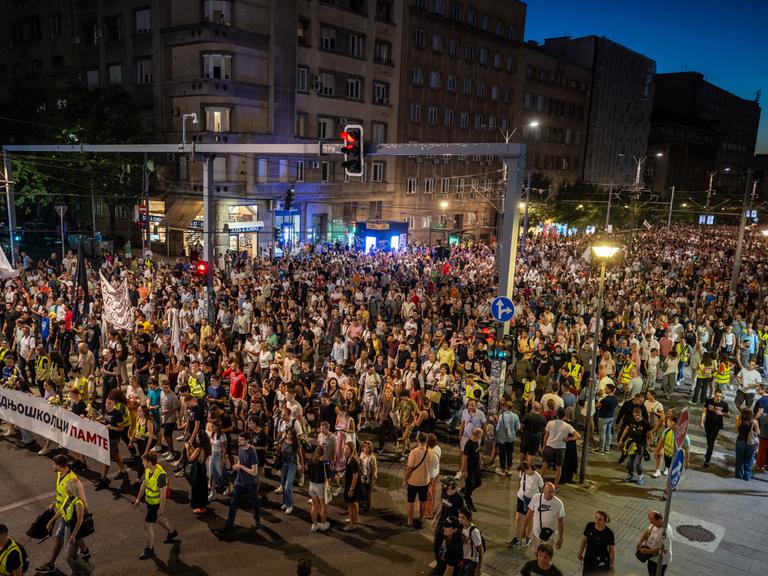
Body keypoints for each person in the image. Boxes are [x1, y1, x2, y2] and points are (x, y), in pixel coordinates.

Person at [38, 455, 88, 574]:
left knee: (62, 540)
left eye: (54, 464)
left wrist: (54, 519)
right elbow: (60, 493)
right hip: (64, 511)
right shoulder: (60, 474)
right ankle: (85, 551)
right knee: (74, 535)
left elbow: (70, 503)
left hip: (69, 515)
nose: (53, 466)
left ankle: (53, 563)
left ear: (59, 465)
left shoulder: (71, 480)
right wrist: (54, 503)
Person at [134, 453, 178, 560]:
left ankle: (149, 550)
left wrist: (161, 508)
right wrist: (138, 499)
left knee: (147, 526)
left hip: (156, 504)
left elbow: (163, 495)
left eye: (144, 461)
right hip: (150, 502)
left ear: (149, 463)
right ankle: (172, 532)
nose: (142, 463)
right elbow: (143, 485)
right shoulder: (148, 470)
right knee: (159, 519)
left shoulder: (161, 475)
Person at [223, 432, 262, 532]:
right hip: (239, 481)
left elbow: (254, 472)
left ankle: (257, 519)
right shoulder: (240, 447)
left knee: (254, 503)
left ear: (247, 440)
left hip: (250, 483)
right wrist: (237, 466)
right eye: (239, 439)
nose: (239, 441)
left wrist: (240, 467)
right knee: (233, 503)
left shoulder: (252, 451)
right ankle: (229, 524)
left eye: (241, 440)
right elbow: (240, 459)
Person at [404, 432, 438, 530]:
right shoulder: (432, 452)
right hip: (425, 481)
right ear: (426, 440)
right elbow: (433, 467)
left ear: (418, 440)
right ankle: (420, 519)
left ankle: (409, 521)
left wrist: (405, 479)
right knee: (423, 501)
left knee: (410, 502)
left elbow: (410, 468)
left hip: (413, 481)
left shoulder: (414, 452)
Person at [540, 408, 580, 489]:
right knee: (559, 467)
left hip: (549, 445)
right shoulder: (567, 426)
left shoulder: (550, 423)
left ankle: (540, 481)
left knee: (545, 464)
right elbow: (578, 436)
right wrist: (568, 439)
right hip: (560, 448)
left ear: (557, 415)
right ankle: (556, 484)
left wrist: (544, 446)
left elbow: (546, 436)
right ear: (564, 416)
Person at [508, 462, 544, 548]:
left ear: (529, 469)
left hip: (532, 500)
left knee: (529, 519)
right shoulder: (522, 472)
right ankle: (516, 538)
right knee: (518, 518)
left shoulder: (537, 476)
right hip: (521, 497)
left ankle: (528, 536)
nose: (523, 473)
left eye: (524, 471)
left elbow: (541, 487)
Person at [525, 482, 565, 552]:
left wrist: (560, 538)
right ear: (544, 490)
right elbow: (529, 514)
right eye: (549, 492)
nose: (552, 494)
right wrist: (524, 529)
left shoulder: (559, 503)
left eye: (553, 492)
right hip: (536, 534)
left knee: (546, 556)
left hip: (550, 536)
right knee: (537, 553)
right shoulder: (536, 498)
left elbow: (561, 522)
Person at [618, 407, 653, 485]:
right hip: (631, 445)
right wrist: (621, 440)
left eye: (639, 415)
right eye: (635, 415)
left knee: (637, 462)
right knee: (630, 461)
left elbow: (650, 434)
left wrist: (651, 444)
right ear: (633, 414)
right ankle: (630, 474)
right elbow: (626, 430)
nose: (637, 417)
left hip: (641, 445)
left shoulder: (645, 423)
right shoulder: (631, 420)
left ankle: (640, 476)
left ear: (641, 414)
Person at [651, 412, 690, 478]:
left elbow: (687, 450)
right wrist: (657, 451)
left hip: (676, 458)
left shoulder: (684, 437)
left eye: (674, 424)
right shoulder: (666, 431)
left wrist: (686, 462)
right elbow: (661, 442)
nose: (671, 425)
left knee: (672, 476)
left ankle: (670, 487)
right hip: (667, 454)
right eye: (671, 422)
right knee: (668, 470)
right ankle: (662, 470)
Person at [577, 510, 615, 575]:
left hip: (602, 560)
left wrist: (611, 564)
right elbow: (584, 540)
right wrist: (580, 552)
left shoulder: (609, 533)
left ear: (605, 521)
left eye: (600, 519)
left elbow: (611, 550)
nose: (597, 521)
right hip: (589, 558)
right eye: (596, 518)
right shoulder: (590, 526)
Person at [636, 510, 672, 576]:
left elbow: (664, 549)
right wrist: (640, 542)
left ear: (659, 519)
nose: (651, 523)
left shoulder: (666, 533)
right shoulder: (654, 524)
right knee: (651, 572)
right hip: (652, 557)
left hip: (661, 560)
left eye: (652, 521)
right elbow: (647, 532)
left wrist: (648, 551)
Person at [700, 389, 730, 468]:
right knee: (709, 439)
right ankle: (708, 452)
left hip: (717, 425)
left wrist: (722, 413)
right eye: (717, 396)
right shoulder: (709, 401)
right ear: (714, 395)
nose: (719, 398)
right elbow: (704, 411)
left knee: (711, 441)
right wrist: (702, 421)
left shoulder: (724, 404)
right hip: (708, 424)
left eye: (720, 396)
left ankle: (707, 459)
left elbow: (728, 415)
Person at [186, 427, 211, 514]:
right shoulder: (206, 447)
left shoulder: (199, 449)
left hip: (197, 471)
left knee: (197, 489)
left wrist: (187, 449)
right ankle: (203, 506)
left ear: (200, 439)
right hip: (203, 469)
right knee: (203, 488)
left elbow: (190, 459)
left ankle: (198, 507)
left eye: (197, 437)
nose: (196, 438)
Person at [307, 445, 331, 532]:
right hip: (320, 486)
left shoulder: (310, 461)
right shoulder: (325, 463)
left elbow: (307, 471)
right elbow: (329, 477)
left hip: (311, 485)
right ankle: (323, 524)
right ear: (323, 454)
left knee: (314, 505)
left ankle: (314, 524)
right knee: (323, 506)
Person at [495, 399, 521, 476]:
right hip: (511, 438)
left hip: (503, 438)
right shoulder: (515, 416)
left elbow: (498, 428)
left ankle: (502, 469)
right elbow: (518, 428)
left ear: (505, 407)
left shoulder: (501, 416)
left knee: (502, 454)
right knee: (510, 453)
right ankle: (509, 469)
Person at [735, 408, 760, 481]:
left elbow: (736, 430)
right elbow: (758, 432)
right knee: (749, 459)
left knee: (739, 459)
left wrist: (737, 422)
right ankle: (747, 476)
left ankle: (739, 475)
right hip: (750, 443)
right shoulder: (754, 422)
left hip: (740, 442)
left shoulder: (739, 419)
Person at [458, 507, 484, 576]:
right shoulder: (460, 527)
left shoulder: (474, 531)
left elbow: (480, 550)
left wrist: (478, 568)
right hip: (464, 558)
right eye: (459, 517)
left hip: (472, 560)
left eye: (463, 518)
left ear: (469, 519)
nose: (460, 519)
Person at [593, 384, 617, 454]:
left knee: (602, 434)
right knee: (608, 433)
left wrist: (600, 399)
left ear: (610, 390)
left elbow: (596, 406)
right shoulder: (615, 399)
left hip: (603, 418)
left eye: (606, 388)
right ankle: (607, 448)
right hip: (611, 417)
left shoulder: (605, 399)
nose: (604, 390)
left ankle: (601, 450)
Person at [343, 441, 362, 530]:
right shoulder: (349, 458)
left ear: (351, 450)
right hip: (352, 483)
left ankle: (352, 524)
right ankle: (356, 519)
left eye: (347, 449)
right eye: (344, 448)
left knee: (350, 504)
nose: (345, 450)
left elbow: (355, 475)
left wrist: (351, 489)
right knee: (354, 502)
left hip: (352, 484)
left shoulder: (352, 460)